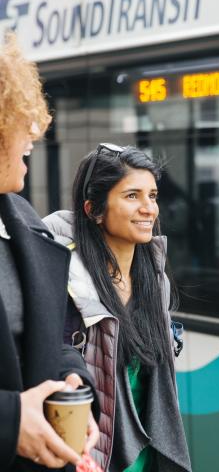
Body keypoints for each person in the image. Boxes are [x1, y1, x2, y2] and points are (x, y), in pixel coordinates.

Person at [44, 143, 192, 471]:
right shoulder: (64, 283)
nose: (148, 209)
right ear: (93, 210)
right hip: (94, 459)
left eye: (152, 196)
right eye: (131, 196)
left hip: (151, 459)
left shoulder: (155, 281)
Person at [0, 33, 99, 471]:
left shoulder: (21, 218)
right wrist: (7, 422)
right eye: (21, 117)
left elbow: (52, 337)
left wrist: (74, 383)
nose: (35, 133)